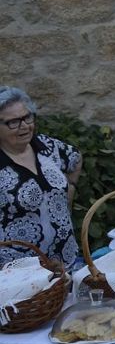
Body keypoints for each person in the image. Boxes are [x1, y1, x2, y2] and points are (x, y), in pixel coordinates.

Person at [0, 87, 82, 269]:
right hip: (19, 271)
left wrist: (71, 187)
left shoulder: (47, 146)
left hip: (65, 260)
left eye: (27, 117)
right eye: (13, 122)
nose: (24, 126)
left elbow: (75, 158)